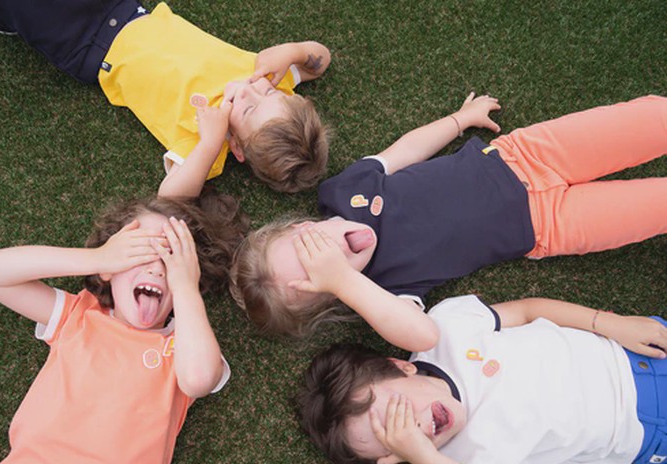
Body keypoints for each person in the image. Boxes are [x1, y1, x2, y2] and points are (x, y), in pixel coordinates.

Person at [230, 94, 667, 341]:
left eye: (310, 246)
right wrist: (346, 281)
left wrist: (459, 120)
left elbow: (404, 152)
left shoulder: (344, 192)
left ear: (302, 226)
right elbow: (425, 337)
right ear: (330, 295)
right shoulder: (384, 292)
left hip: (524, 153)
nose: (330, 255)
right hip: (548, 224)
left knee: (653, 118)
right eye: (319, 273)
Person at [0, 191, 248, 464]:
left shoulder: (183, 345)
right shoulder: (78, 315)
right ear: (110, 270)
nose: (155, 269)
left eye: (170, 261)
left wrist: (185, 287)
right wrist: (96, 258)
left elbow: (199, 379)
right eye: (139, 254)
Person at [298, 296, 667, 464]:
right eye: (398, 440)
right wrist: (427, 460)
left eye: (400, 413)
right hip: (644, 431)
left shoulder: (446, 330)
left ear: (402, 367)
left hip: (635, 351)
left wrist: (608, 323)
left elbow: (527, 311)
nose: (420, 428)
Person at [0, 0, 331, 193]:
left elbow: (171, 196)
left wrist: (209, 140)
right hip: (124, 10)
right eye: (266, 91)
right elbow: (321, 60)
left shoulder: (206, 143)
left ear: (238, 148)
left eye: (248, 106)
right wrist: (294, 51)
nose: (250, 88)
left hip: (87, 48)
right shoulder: (269, 80)